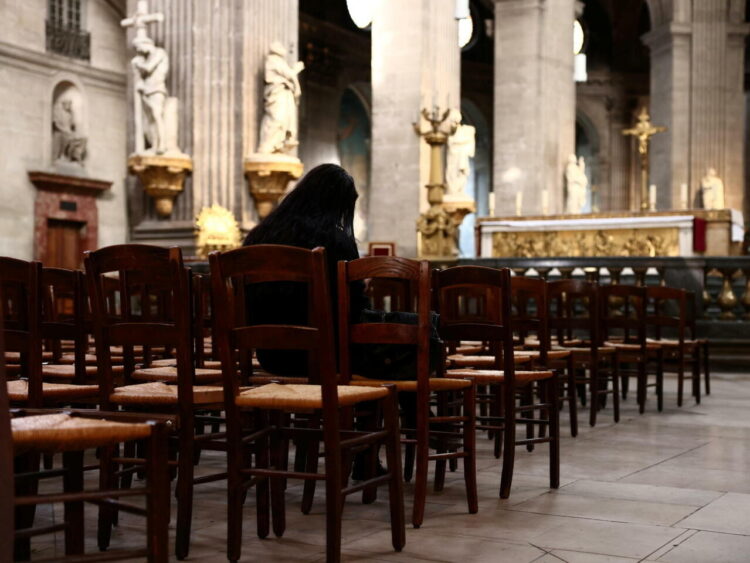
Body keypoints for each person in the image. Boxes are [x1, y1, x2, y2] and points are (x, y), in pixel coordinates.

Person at [243, 163, 368, 377]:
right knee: (401, 349)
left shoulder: (258, 236)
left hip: (270, 356)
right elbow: (354, 305)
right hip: (323, 355)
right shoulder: (335, 241)